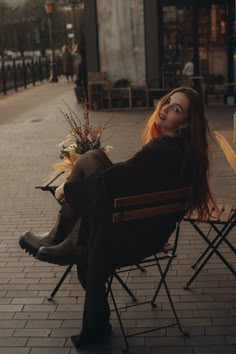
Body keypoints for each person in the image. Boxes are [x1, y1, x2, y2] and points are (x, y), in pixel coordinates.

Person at [19, 87, 215, 349]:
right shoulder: (182, 153)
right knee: (94, 159)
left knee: (92, 169)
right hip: (145, 228)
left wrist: (68, 189)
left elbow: (118, 180)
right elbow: (127, 181)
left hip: (131, 236)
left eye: (176, 108)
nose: (166, 108)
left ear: (186, 124)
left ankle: (65, 236)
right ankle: (66, 237)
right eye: (168, 102)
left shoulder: (162, 152)